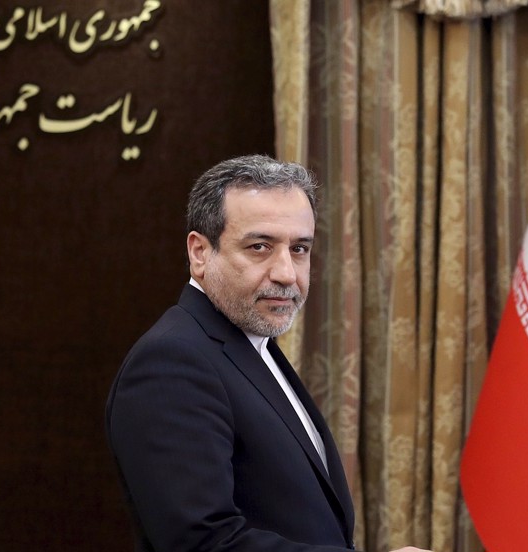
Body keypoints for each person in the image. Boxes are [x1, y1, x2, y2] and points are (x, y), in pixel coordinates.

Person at [106, 155, 430, 552]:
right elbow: (203, 543)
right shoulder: (172, 362)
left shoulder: (251, 343)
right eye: (260, 247)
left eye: (299, 249)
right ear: (200, 252)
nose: (286, 273)